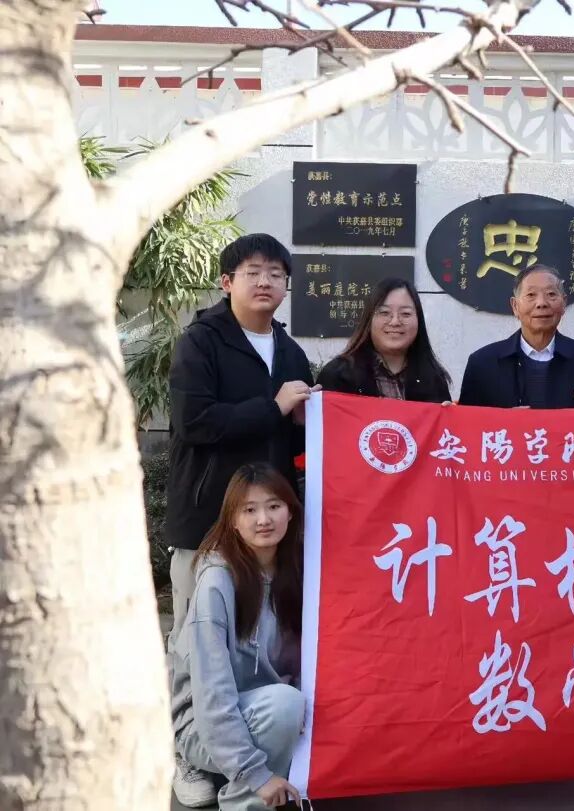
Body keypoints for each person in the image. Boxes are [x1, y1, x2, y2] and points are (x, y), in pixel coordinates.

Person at [166, 233, 314, 807]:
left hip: (266, 528)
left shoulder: (290, 351)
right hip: (206, 521)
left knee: (258, 645)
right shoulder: (200, 342)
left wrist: (305, 426)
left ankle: (243, 763)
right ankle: (190, 755)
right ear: (227, 282)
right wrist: (273, 408)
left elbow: (289, 441)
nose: (265, 282)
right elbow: (194, 422)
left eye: (276, 274)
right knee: (194, 645)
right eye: (253, 272)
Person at [172, 463, 305, 811]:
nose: (264, 519)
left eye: (274, 506)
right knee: (286, 705)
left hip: (264, 714)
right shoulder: (217, 581)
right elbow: (212, 693)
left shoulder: (297, 570)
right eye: (249, 510)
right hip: (205, 728)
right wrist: (255, 773)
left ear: (291, 511)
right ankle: (243, 801)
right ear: (232, 519)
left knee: (293, 705)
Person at [458, 264, 574, 409]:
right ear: (515, 306)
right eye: (531, 295)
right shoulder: (482, 363)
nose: (541, 303)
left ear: (564, 303)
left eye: (551, 294)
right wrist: (505, 421)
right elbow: (467, 425)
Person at [316, 277, 451, 402]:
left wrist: (445, 415)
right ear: (369, 320)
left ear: (418, 320)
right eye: (385, 313)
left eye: (405, 314)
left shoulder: (434, 379)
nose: (395, 322)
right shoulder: (337, 375)